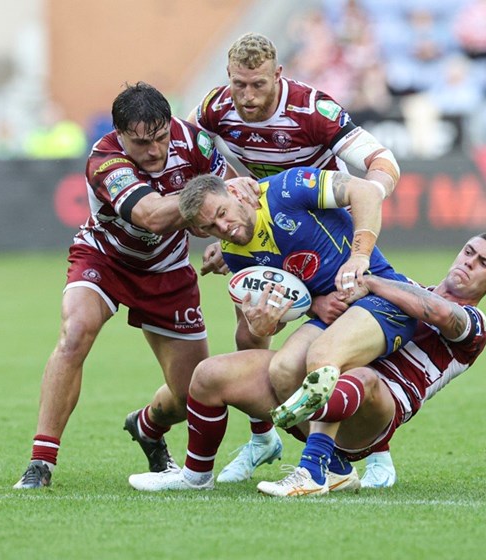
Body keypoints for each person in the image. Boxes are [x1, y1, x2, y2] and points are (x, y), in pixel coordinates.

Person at [125, 233, 486, 495]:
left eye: (483, 264)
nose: (469, 263)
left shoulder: (476, 326)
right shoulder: (403, 285)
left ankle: (311, 472)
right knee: (211, 374)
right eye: (469, 252)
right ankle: (196, 477)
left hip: (371, 417)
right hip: (312, 389)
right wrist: (237, 256)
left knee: (359, 375)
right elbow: (321, 281)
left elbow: (441, 315)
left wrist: (373, 283)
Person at [188, 31, 404, 487]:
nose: (247, 97)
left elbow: (384, 164)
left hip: (316, 222)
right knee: (253, 332)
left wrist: (358, 213)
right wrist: (224, 207)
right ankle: (264, 436)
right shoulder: (213, 107)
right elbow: (191, 156)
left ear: (278, 76)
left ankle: (372, 451)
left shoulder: (312, 110)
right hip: (255, 232)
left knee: (336, 337)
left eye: (258, 85)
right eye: (238, 85)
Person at [13, 81, 245, 489]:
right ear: (120, 136)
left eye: (160, 138)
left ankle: (148, 425)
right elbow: (152, 216)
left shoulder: (195, 143)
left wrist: (229, 242)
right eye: (141, 143)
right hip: (106, 259)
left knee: (190, 394)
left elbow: (237, 193)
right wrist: (206, 198)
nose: (154, 150)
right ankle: (41, 462)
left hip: (169, 271)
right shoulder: (105, 160)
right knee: (75, 332)